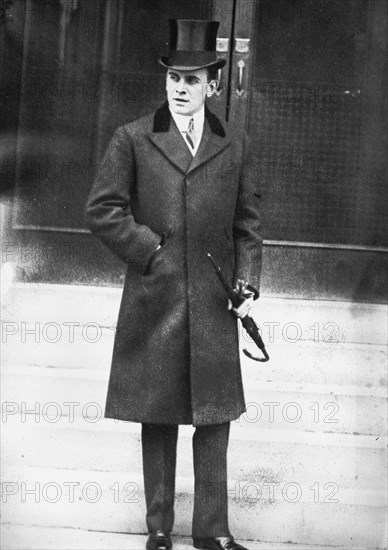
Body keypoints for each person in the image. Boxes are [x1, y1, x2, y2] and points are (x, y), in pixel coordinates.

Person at [85, 19, 262, 550]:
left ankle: (214, 531)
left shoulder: (234, 144)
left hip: (212, 299)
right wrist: (150, 251)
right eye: (173, 80)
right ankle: (159, 528)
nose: (180, 89)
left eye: (192, 80)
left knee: (214, 417)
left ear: (212, 83)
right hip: (155, 296)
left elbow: (248, 222)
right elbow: (102, 209)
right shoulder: (133, 138)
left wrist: (246, 282)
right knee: (157, 414)